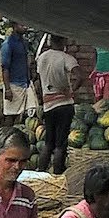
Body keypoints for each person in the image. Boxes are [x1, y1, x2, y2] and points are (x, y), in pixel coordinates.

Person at [36, 35, 87, 174]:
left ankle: (40, 173)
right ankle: (58, 174)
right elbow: (80, 76)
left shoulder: (42, 58)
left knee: (48, 143)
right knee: (60, 143)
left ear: (50, 41)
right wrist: (71, 90)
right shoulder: (67, 58)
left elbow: (39, 80)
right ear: (64, 42)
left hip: (48, 105)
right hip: (64, 105)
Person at [0, 21, 35, 119]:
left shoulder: (24, 42)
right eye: (22, 25)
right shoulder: (8, 44)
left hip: (26, 83)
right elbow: (5, 68)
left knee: (28, 115)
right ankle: (6, 133)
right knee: (11, 116)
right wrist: (7, 89)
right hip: (14, 85)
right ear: (14, 26)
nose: (25, 27)